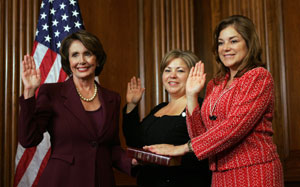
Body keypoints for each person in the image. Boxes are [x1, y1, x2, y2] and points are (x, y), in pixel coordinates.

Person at [144, 15, 284, 186]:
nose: (226, 48)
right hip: (218, 174)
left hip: (254, 170)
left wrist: (180, 149)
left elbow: (234, 128)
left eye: (233, 41)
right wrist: (191, 96)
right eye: (221, 42)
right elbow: (199, 136)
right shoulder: (215, 84)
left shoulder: (258, 76)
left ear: (249, 43)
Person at [18, 30, 136, 187]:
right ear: (68, 61)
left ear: (98, 59)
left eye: (87, 53)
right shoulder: (52, 93)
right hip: (63, 180)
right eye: (75, 55)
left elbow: (111, 147)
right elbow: (29, 139)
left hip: (101, 180)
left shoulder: (112, 98)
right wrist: (29, 92)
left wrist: (131, 162)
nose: (81, 60)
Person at [123, 49, 211, 187]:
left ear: (192, 75)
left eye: (180, 71)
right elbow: (134, 141)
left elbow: (205, 149)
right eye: (168, 70)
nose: (172, 76)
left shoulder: (201, 107)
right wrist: (132, 105)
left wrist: (174, 158)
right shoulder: (159, 109)